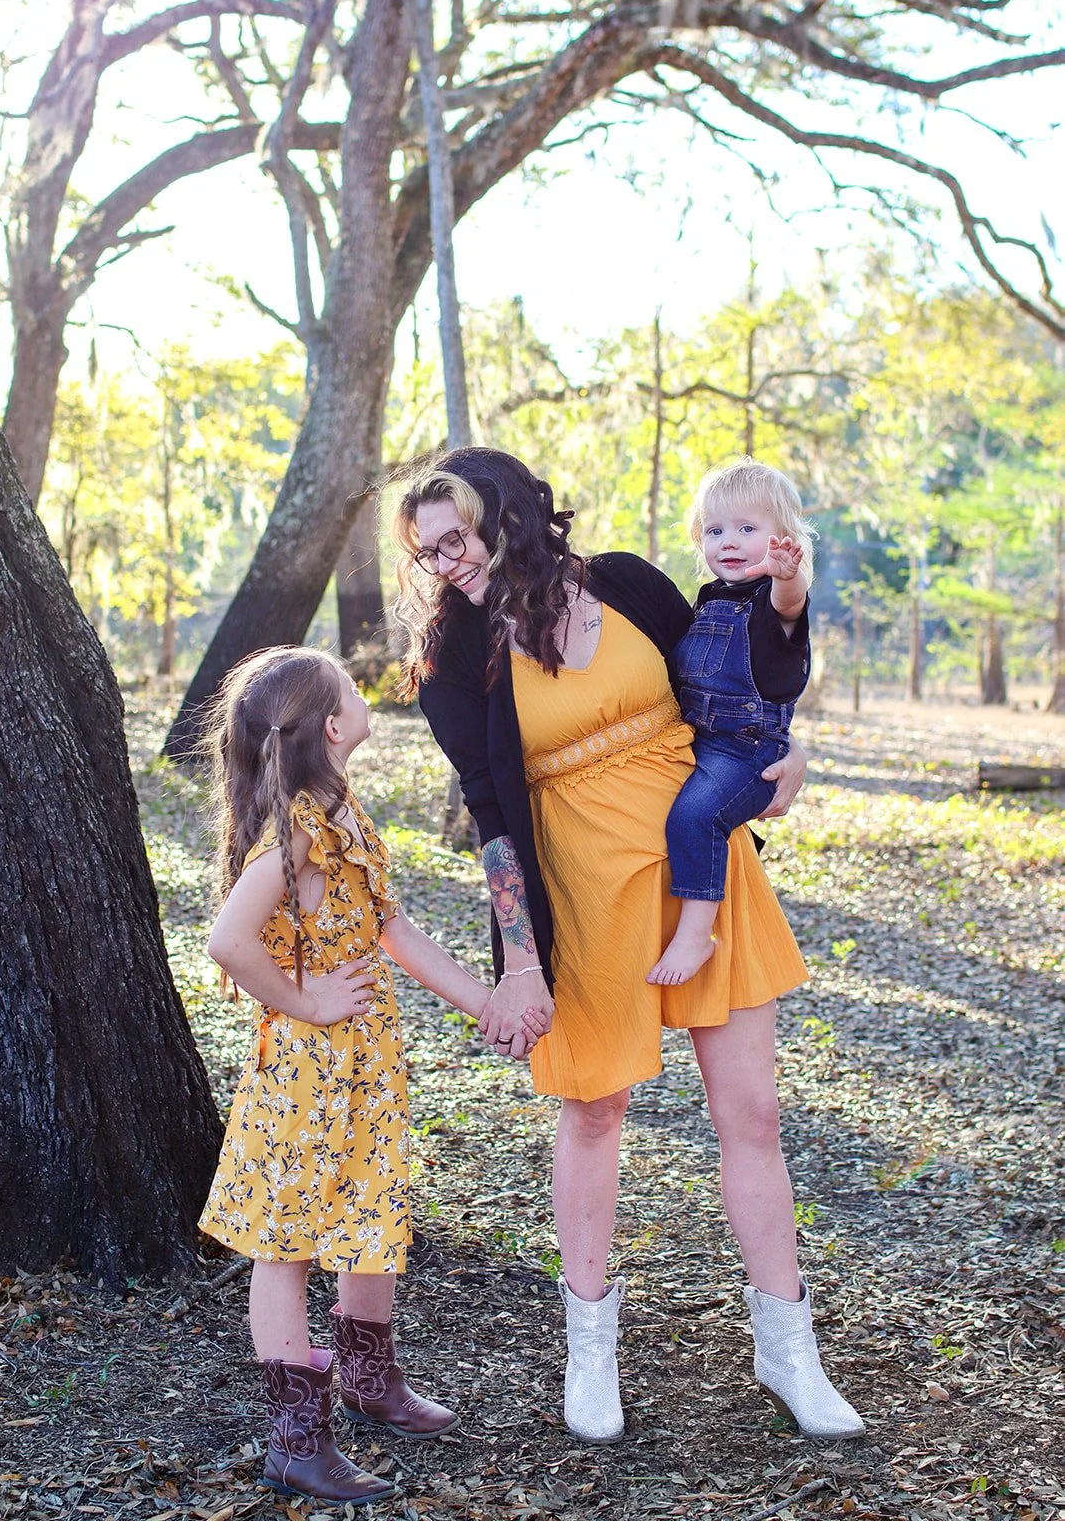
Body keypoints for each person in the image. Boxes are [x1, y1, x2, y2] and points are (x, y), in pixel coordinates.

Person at [393, 448, 864, 1446]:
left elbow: (733, 676)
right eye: (426, 550)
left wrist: (787, 748)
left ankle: (787, 1350)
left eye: (457, 538)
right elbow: (488, 816)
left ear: (509, 515)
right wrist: (518, 957)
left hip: (701, 865)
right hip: (579, 885)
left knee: (752, 1112)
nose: (444, 561)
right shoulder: (450, 658)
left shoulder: (625, 582)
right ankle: (590, 1347)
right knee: (595, 1111)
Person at [199, 646, 538, 1507]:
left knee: (373, 1215)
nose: (362, 692)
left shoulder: (340, 813)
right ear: (334, 724)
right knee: (288, 1247)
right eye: (351, 687)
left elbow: (397, 933)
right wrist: (304, 1001)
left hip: (364, 1072)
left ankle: (368, 1380)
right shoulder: (298, 834)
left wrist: (489, 1004)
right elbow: (228, 940)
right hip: (307, 1077)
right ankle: (296, 1443)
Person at [648, 460, 813, 987]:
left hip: (747, 749)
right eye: (716, 531)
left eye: (748, 529)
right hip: (700, 739)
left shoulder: (772, 599)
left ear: (782, 539)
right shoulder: (710, 600)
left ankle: (698, 933)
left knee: (694, 817)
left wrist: (789, 575)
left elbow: (791, 604)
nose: (729, 542)